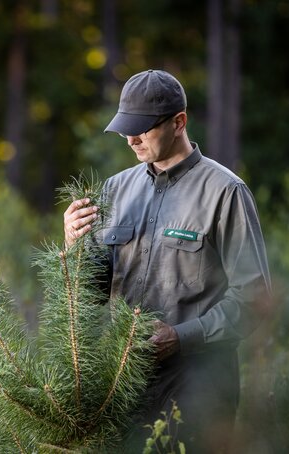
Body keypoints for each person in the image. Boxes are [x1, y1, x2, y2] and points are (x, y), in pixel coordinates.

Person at [63, 69, 271, 453]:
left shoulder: (226, 192)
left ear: (180, 122)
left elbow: (254, 301)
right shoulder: (115, 189)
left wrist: (180, 337)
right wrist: (72, 247)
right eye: (126, 128)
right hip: (124, 386)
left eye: (143, 128)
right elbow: (90, 295)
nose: (131, 139)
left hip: (200, 391)